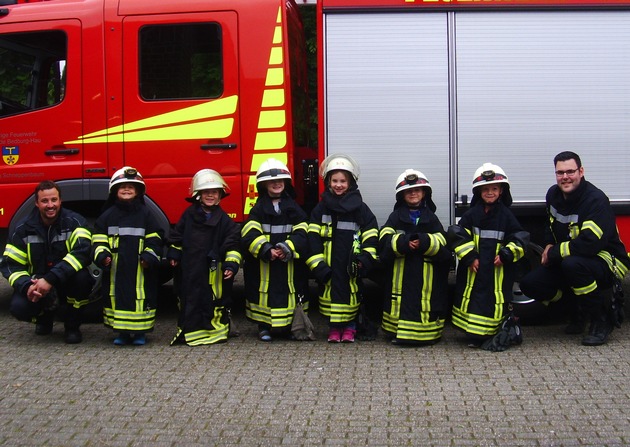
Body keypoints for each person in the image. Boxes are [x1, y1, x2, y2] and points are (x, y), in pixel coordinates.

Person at [519, 151, 629, 346]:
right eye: (560, 173)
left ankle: (601, 320)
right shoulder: (553, 194)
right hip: (573, 257)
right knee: (530, 284)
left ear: (581, 171)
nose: (565, 177)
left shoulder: (595, 200)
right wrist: (549, 244)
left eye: (570, 171)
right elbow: (550, 225)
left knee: (573, 265)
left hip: (608, 260)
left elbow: (590, 244)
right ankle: (574, 309)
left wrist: (553, 252)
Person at [1, 180, 94, 344]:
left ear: (60, 201)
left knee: (82, 279)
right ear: (37, 203)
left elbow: (83, 252)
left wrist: (50, 279)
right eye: (44, 201)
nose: (50, 205)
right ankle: (44, 319)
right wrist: (27, 286)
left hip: (65, 280)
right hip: (37, 284)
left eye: (54, 200)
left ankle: (72, 326)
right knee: (18, 307)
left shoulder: (75, 222)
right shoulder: (23, 229)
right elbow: (10, 264)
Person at [448, 163, 530, 348]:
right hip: (475, 269)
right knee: (474, 300)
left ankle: (488, 334)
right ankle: (474, 334)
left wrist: (506, 254)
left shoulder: (506, 216)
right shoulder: (472, 214)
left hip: (496, 271)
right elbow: (457, 234)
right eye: (485, 189)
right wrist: (469, 257)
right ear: (478, 192)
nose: (490, 192)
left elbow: (520, 239)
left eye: (494, 188)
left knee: (491, 302)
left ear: (501, 191)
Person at [306, 154, 379, 343]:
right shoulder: (320, 209)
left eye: (343, 181)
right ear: (328, 182)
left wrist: (364, 260)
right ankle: (334, 329)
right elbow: (312, 238)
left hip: (350, 266)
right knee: (331, 299)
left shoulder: (360, 209)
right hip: (329, 266)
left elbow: (371, 234)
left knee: (352, 296)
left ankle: (350, 328)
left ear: (351, 183)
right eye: (335, 181)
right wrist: (318, 266)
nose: (339, 185)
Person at [167, 169, 241, 346]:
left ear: (220, 195)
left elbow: (233, 245)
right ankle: (190, 332)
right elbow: (176, 237)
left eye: (214, 192)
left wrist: (231, 265)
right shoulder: (188, 215)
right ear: (198, 194)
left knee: (212, 302)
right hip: (190, 269)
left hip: (212, 273)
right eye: (206, 192)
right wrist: (174, 254)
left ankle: (214, 334)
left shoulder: (225, 221)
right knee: (188, 299)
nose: (210, 196)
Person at [378, 169, 451, 346]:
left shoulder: (431, 218)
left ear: (424, 193)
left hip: (424, 276)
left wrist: (424, 242)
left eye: (417, 190)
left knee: (423, 302)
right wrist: (403, 243)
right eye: (409, 191)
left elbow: (443, 244)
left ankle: (426, 334)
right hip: (400, 274)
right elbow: (384, 239)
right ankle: (397, 331)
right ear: (402, 195)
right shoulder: (395, 217)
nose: (413, 193)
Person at [92, 167, 164, 346]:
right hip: (116, 267)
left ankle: (140, 332)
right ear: (114, 190)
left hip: (140, 268)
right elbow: (98, 239)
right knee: (116, 297)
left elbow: (155, 238)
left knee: (140, 298)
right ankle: (122, 333)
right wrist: (102, 255)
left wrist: (149, 256)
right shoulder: (107, 216)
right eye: (122, 186)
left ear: (138, 191)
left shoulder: (146, 214)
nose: (126, 190)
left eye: (131, 187)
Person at [241, 158, 309, 341]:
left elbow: (303, 230)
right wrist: (265, 248)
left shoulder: (294, 208)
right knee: (264, 294)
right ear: (264, 185)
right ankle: (264, 327)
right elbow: (249, 231)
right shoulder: (257, 209)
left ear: (286, 183)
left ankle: (289, 327)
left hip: (287, 261)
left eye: (280, 181)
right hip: (266, 262)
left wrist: (288, 247)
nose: (276, 184)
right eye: (272, 182)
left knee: (289, 292)